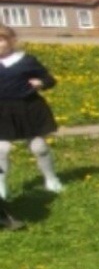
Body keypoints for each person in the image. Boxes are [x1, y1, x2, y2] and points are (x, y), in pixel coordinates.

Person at [0, 25, 63, 198]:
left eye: (0, 40)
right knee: (1, 149)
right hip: (2, 111)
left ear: (11, 41)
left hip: (29, 108)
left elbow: (49, 79)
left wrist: (41, 83)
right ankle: (1, 186)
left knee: (39, 147)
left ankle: (51, 178)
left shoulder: (26, 60)